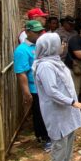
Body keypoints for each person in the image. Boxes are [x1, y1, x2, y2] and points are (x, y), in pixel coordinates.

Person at [33, 33, 81, 161]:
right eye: (60, 43)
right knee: (59, 140)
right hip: (56, 110)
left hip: (66, 107)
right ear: (50, 46)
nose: (63, 45)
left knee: (69, 134)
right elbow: (51, 91)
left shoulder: (56, 61)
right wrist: (72, 102)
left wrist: (72, 102)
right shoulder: (45, 66)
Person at [14, 20, 51, 151]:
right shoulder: (22, 50)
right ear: (27, 32)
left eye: (41, 32)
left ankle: (51, 135)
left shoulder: (40, 45)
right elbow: (21, 73)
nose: (39, 34)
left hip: (47, 86)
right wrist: (26, 92)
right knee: (40, 114)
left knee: (49, 112)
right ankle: (43, 138)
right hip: (35, 88)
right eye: (36, 32)